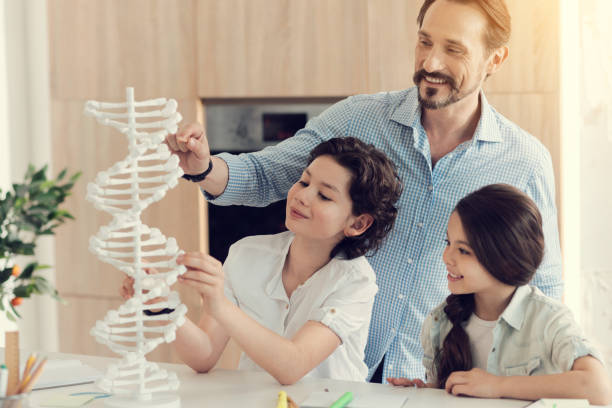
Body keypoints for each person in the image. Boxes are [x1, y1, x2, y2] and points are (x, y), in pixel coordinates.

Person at [166, 0, 563, 380]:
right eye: (424, 41)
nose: (430, 62)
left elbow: (541, 286)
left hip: (434, 378)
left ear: (495, 60)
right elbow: (269, 173)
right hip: (329, 368)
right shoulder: (358, 117)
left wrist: (537, 386)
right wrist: (203, 167)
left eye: (453, 49)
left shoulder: (524, 160)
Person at [121, 137, 403, 384]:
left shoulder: (355, 283)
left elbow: (294, 365)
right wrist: (164, 308)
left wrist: (219, 304)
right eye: (304, 181)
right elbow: (204, 355)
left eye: (324, 195)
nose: (302, 196)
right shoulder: (248, 254)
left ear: (358, 223)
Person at [387, 184, 612, 405]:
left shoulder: (549, 320)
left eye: (463, 250)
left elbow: (599, 388)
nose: (447, 256)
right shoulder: (439, 323)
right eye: (448, 242)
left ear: (505, 259)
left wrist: (497, 386)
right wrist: (424, 394)